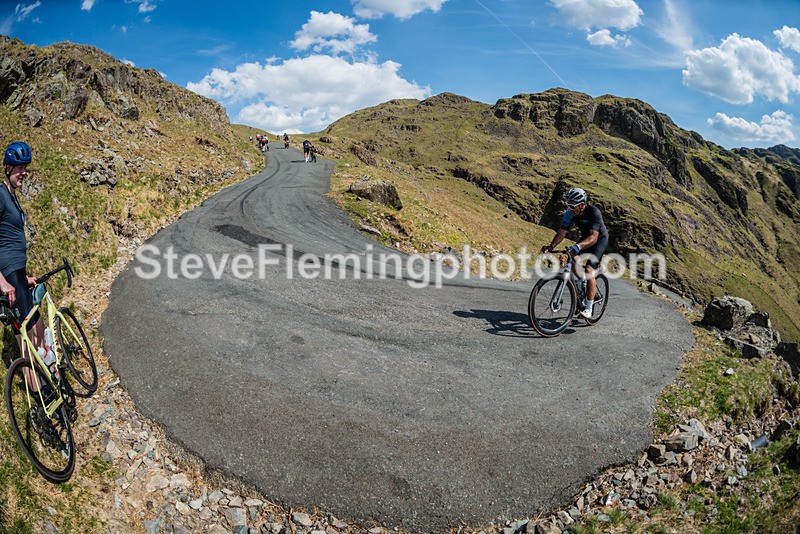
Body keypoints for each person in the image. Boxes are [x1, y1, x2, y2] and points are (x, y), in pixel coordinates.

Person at [0, 141, 45, 371]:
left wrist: (22, 277)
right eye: (19, 168)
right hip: (7, 280)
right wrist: (3, 282)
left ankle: (50, 389)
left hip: (16, 275)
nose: (23, 172)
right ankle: (40, 399)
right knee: (27, 344)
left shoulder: (12, 197)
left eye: (25, 167)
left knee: (39, 332)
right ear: (8, 168)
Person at [541, 187, 608, 319]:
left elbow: (593, 237)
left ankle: (588, 309)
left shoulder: (593, 212)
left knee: (589, 270)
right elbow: (562, 232)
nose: (570, 209)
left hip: (598, 240)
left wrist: (578, 246)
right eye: (568, 205)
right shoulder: (569, 213)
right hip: (585, 238)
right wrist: (551, 246)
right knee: (573, 261)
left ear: (582, 204)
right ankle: (585, 285)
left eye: (572, 206)